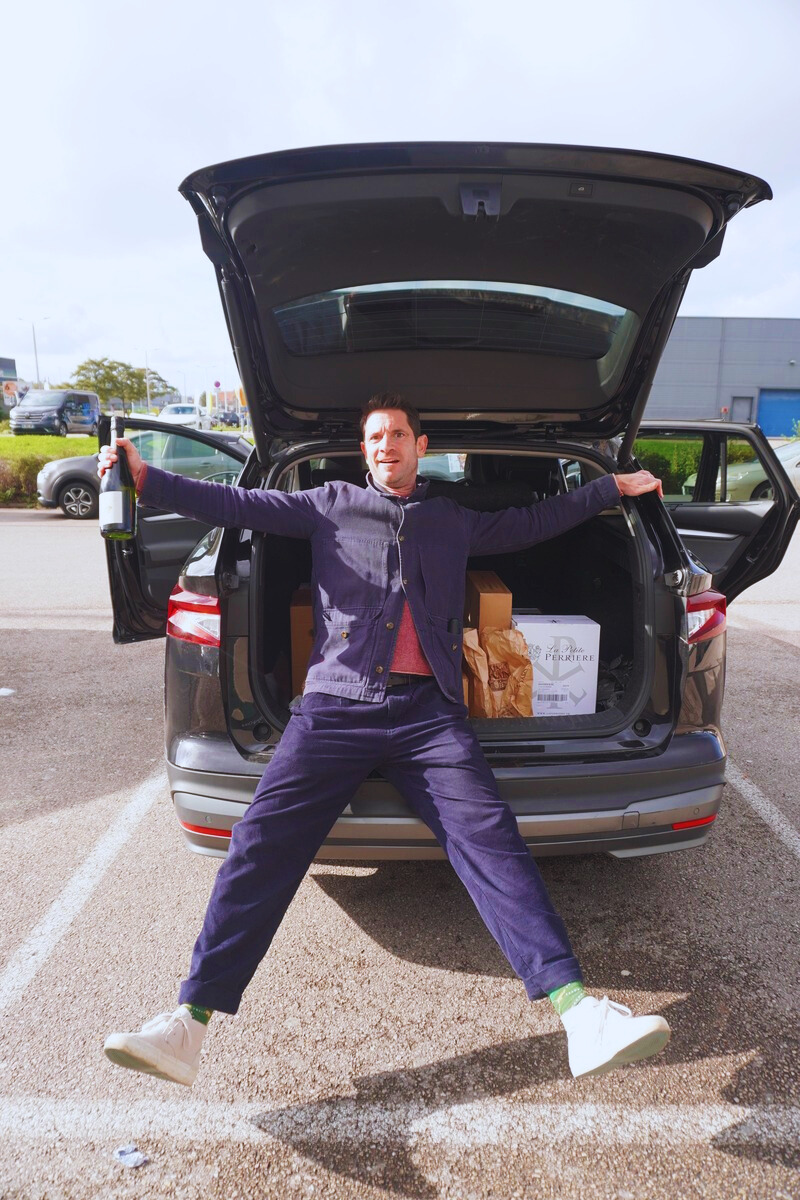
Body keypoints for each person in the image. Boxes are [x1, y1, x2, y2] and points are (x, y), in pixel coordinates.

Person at [99, 393, 669, 1088]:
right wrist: (145, 478)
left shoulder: (449, 519)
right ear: (362, 449)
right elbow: (234, 505)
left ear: (419, 446)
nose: (384, 445)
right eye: (373, 436)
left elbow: (535, 521)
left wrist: (609, 486)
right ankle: (188, 1023)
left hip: (430, 715)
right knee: (262, 842)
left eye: (397, 434)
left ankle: (580, 1015)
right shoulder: (328, 504)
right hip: (334, 708)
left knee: (492, 841)